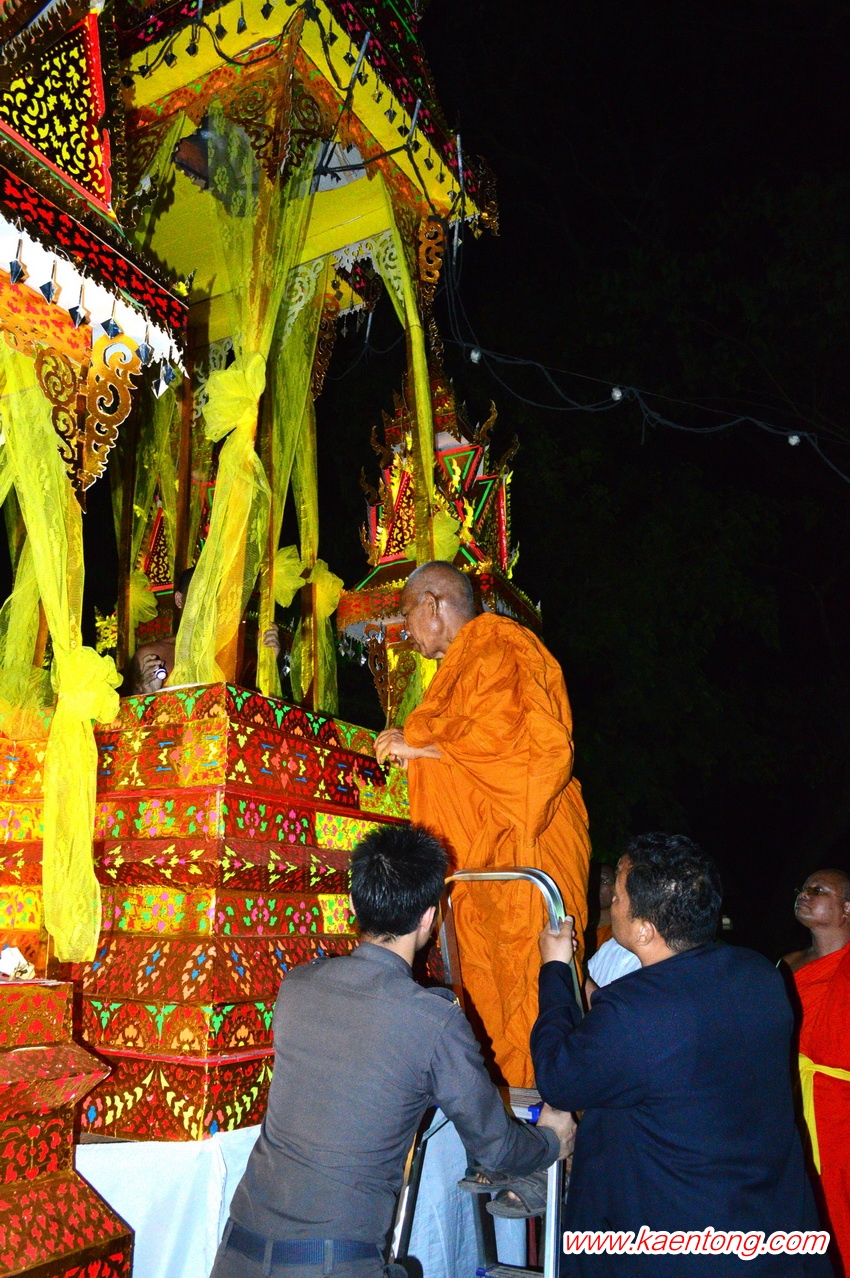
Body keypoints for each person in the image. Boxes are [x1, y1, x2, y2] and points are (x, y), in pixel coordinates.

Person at [209, 823, 574, 1278]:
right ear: (429, 918)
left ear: (352, 904)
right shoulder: (432, 1020)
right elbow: (497, 1148)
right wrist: (551, 1139)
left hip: (236, 1253)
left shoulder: (297, 985)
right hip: (333, 1264)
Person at [531, 832, 830, 1276]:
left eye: (619, 896)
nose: (612, 902)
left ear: (644, 929)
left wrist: (555, 968)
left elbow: (558, 1078)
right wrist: (586, 989)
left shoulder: (638, 1011)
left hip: (678, 1241)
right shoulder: (759, 975)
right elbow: (662, 1041)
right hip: (767, 1224)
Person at [374, 561, 591, 1089]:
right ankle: (504, 1118)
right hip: (479, 868)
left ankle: (549, 1114)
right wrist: (417, 750)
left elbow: (531, 752)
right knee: (488, 1000)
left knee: (535, 988)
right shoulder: (456, 670)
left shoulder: (500, 643)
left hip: (525, 847)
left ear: (432, 605)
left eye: (406, 614)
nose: (404, 632)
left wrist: (420, 746)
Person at [782, 869, 850, 1278]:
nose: (803, 895)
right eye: (802, 889)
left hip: (842, 1113)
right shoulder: (786, 965)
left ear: (847, 909)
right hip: (790, 1105)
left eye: (817, 890)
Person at [130, 566, 280, 693]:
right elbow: (132, 713)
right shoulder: (152, 655)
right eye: (199, 596)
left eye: (214, 599)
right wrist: (147, 693)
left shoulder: (233, 655)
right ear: (179, 600)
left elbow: (254, 707)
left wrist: (268, 662)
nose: (206, 606)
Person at [585, 862, 615, 958]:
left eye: (603, 880)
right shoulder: (581, 928)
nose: (595, 886)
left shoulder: (620, 935)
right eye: (591, 881)